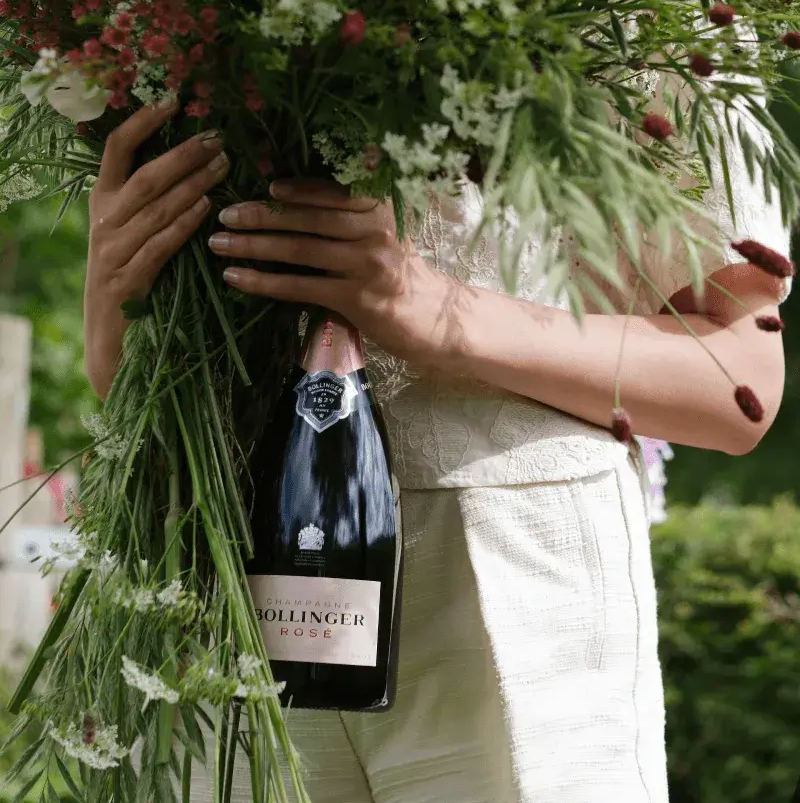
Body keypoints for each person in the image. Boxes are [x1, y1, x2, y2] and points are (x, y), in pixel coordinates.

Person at [84, 71, 793, 803]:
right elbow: (121, 385)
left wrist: (434, 308)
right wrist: (116, 293)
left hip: (512, 579)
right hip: (217, 557)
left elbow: (736, 380)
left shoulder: (660, 2)